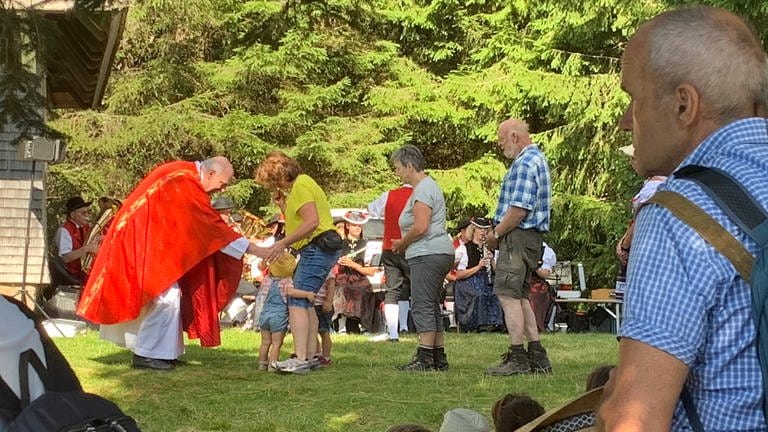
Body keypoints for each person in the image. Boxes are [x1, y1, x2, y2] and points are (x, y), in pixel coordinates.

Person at [596, 6, 768, 431]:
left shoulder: (681, 213)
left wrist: (608, 412)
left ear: (683, 105)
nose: (623, 121)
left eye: (633, 98)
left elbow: (635, 422)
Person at [77, 157, 266, 371]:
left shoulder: (182, 174)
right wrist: (256, 249)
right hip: (139, 245)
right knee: (166, 297)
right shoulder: (183, 182)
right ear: (211, 173)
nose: (221, 190)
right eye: (222, 184)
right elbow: (209, 226)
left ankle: (165, 353)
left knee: (169, 295)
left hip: (145, 242)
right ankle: (147, 355)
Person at [254, 151, 341, 374]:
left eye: (272, 182)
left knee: (297, 300)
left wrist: (283, 243)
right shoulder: (302, 186)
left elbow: (311, 222)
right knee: (306, 302)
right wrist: (284, 206)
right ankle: (310, 355)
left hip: (317, 247)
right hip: (320, 246)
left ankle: (300, 358)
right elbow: (301, 221)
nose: (274, 187)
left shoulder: (301, 185)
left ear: (279, 177)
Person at [485, 118, 553, 376]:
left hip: (518, 237)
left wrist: (496, 234)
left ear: (514, 136)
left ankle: (517, 357)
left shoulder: (525, 163)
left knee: (507, 294)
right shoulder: (537, 159)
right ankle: (537, 355)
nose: (500, 145)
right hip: (531, 239)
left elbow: (519, 209)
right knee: (521, 295)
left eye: (501, 139)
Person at [390, 145, 455, 371]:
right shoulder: (428, 187)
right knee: (431, 304)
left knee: (421, 303)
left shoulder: (423, 190)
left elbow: (421, 226)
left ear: (410, 166)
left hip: (427, 253)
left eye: (398, 168)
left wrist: (401, 243)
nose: (397, 173)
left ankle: (425, 357)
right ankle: (438, 355)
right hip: (437, 252)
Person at [613, 145, 666, 300]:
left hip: (646, 255)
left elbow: (641, 219)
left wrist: (624, 245)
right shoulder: (662, 183)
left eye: (634, 158)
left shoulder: (653, 188)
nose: (631, 163)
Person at [368, 183, 414, 341]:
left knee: (392, 290)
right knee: (418, 287)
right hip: (412, 247)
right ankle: (410, 327)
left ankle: (393, 333)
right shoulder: (420, 195)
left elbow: (372, 210)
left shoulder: (389, 194)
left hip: (390, 247)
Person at [257, 252, 314, 372]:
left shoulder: (267, 279)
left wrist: (265, 258)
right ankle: (272, 365)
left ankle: (262, 363)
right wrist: (307, 294)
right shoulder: (287, 281)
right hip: (279, 316)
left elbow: (260, 266)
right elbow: (291, 292)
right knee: (277, 343)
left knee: (265, 342)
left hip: (264, 314)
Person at [453, 217, 503, 332]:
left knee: (497, 294)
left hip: (487, 280)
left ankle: (495, 324)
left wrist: (492, 261)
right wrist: (478, 267)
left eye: (486, 229)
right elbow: (459, 275)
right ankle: (478, 325)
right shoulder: (464, 249)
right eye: (480, 229)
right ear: (473, 230)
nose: (483, 232)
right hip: (468, 282)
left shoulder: (491, 249)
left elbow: (496, 271)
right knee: (480, 295)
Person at [333, 210, 379, 334]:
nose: (357, 228)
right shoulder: (338, 244)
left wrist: (353, 264)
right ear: (348, 226)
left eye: (359, 225)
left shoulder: (367, 245)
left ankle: (364, 327)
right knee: (342, 289)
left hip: (360, 278)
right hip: (342, 277)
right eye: (354, 225)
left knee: (363, 290)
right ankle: (341, 327)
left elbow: (371, 271)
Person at [54, 196, 98, 285]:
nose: (87, 216)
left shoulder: (86, 228)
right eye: (83, 213)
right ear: (72, 215)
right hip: (72, 276)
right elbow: (66, 258)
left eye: (88, 212)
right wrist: (86, 249)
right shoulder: (64, 231)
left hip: (85, 273)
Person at [528, 242, 557, 332]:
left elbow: (544, 274)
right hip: (517, 281)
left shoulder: (544, 250)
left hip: (536, 283)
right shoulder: (515, 245)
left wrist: (534, 265)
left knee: (533, 294)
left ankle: (534, 326)